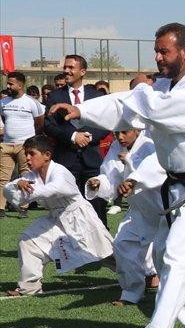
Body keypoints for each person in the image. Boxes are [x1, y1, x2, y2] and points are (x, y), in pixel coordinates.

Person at [51, 23, 185, 328]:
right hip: (180, 186)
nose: (158, 57)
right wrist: (85, 111)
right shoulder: (165, 85)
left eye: (163, 51)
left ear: (184, 52)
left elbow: (149, 108)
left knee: (179, 254)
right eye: (157, 50)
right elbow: (129, 105)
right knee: (168, 255)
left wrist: (140, 92)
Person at [4, 136, 115, 296]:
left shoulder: (60, 172)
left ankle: (143, 275)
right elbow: (8, 191)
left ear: (47, 155)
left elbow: (52, 189)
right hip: (56, 219)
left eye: (31, 154)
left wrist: (23, 189)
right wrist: (16, 184)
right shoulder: (32, 177)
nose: (27, 158)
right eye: (26, 154)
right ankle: (29, 287)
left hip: (79, 218)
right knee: (28, 240)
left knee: (106, 253)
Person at [85, 119, 166, 306]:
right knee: (122, 245)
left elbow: (155, 171)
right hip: (138, 211)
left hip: (161, 209)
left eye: (124, 132)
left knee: (170, 256)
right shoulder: (115, 147)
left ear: (137, 130)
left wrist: (130, 168)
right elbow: (110, 175)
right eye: (116, 133)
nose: (120, 137)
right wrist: (98, 182)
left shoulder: (150, 145)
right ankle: (131, 293)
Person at [43, 54, 108, 226]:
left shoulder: (96, 95)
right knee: (65, 207)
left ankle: (103, 248)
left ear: (83, 71)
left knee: (97, 206)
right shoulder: (55, 97)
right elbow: (49, 126)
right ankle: (65, 246)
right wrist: (73, 136)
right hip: (66, 160)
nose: (66, 71)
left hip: (92, 160)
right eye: (65, 67)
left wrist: (88, 136)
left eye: (71, 67)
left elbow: (106, 121)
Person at [2, 71, 45, 216]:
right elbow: (4, 118)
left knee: (26, 176)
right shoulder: (3, 102)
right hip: (6, 144)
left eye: (10, 84)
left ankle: (24, 207)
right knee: (2, 177)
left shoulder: (32, 102)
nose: (7, 86)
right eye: (7, 83)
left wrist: (30, 141)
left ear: (20, 85)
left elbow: (39, 123)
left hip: (24, 145)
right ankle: (1, 208)